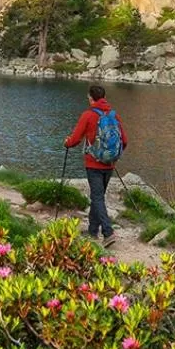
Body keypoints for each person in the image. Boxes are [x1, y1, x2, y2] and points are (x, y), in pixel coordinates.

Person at [64, 84, 127, 245]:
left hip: (94, 164)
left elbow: (76, 138)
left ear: (91, 98)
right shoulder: (114, 115)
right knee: (98, 197)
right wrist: (112, 156)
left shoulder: (88, 115)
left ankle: (108, 232)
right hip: (110, 164)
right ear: (104, 97)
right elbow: (124, 141)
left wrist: (67, 143)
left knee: (97, 198)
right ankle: (92, 231)